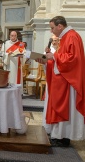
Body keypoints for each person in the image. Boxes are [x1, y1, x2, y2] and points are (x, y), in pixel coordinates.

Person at [36, 16, 85, 147]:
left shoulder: (72, 36)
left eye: (52, 28)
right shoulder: (66, 37)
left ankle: (64, 137)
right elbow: (62, 59)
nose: (52, 31)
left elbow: (73, 59)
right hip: (63, 79)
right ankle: (60, 135)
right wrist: (47, 60)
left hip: (69, 81)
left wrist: (54, 56)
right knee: (61, 107)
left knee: (66, 108)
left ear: (60, 26)